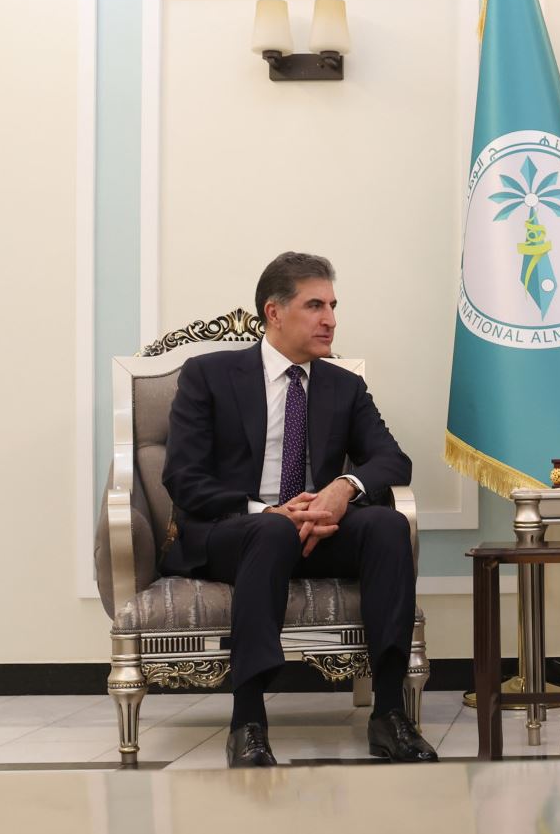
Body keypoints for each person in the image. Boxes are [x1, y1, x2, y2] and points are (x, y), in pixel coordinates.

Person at [160, 252, 437, 766]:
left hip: (316, 531)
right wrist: (267, 514)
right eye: (315, 305)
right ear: (274, 312)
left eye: (333, 306)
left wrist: (343, 488)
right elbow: (183, 478)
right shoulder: (208, 375)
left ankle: (390, 713)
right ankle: (247, 722)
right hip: (233, 532)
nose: (330, 319)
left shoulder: (343, 385)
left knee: (386, 525)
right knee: (272, 533)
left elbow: (392, 459)